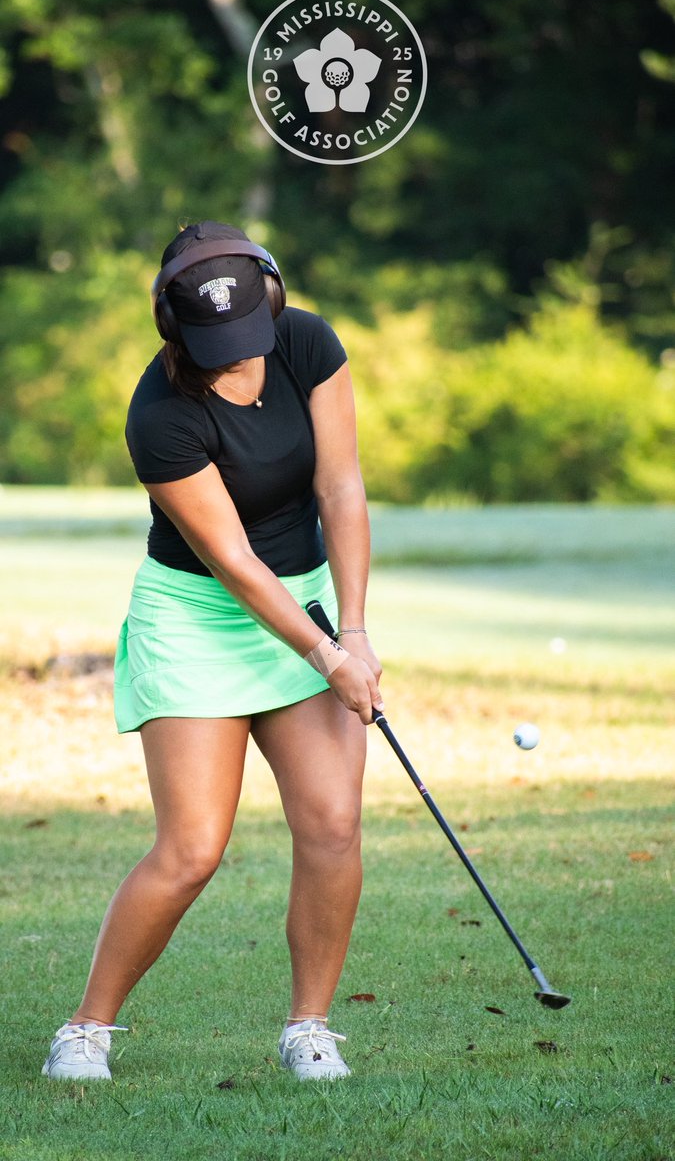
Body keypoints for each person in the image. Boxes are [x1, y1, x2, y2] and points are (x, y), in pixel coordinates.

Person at [42, 220, 383, 1083]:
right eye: (217, 346)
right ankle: (85, 1029)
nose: (240, 359)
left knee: (333, 823)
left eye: (249, 338)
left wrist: (353, 631)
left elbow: (339, 486)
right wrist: (324, 655)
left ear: (270, 297)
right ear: (176, 329)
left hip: (303, 599)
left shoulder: (307, 341)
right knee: (192, 846)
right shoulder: (158, 416)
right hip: (197, 616)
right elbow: (231, 563)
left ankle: (308, 1027)